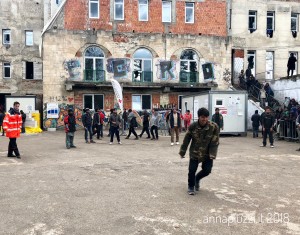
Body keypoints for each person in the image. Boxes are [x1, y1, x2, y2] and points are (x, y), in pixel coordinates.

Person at [179, 107, 219, 195]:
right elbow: (186, 140)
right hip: (195, 152)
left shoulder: (214, 127)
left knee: (207, 170)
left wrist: (212, 154)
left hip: (207, 153)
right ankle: (191, 186)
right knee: (192, 170)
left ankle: (197, 178)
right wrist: (182, 152)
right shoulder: (193, 126)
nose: (204, 119)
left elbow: (215, 141)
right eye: (202, 117)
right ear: (199, 117)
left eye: (206, 117)